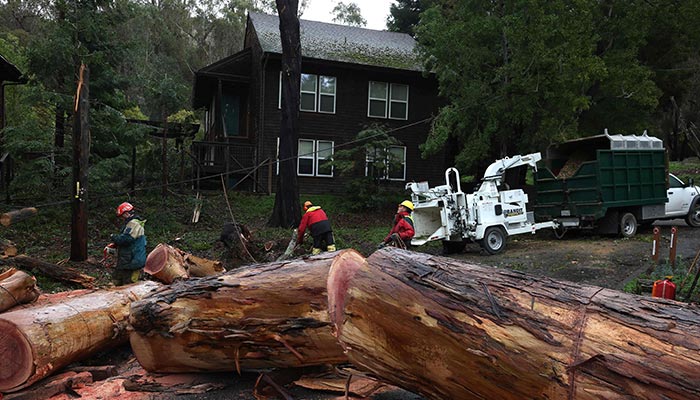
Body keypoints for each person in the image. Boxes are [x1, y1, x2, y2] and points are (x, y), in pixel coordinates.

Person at [108, 202, 147, 285]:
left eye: (122, 216)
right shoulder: (132, 223)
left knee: (129, 285)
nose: (122, 218)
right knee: (117, 280)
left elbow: (127, 239)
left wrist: (114, 237)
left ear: (126, 213)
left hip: (132, 260)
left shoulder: (133, 223)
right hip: (127, 260)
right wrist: (116, 244)